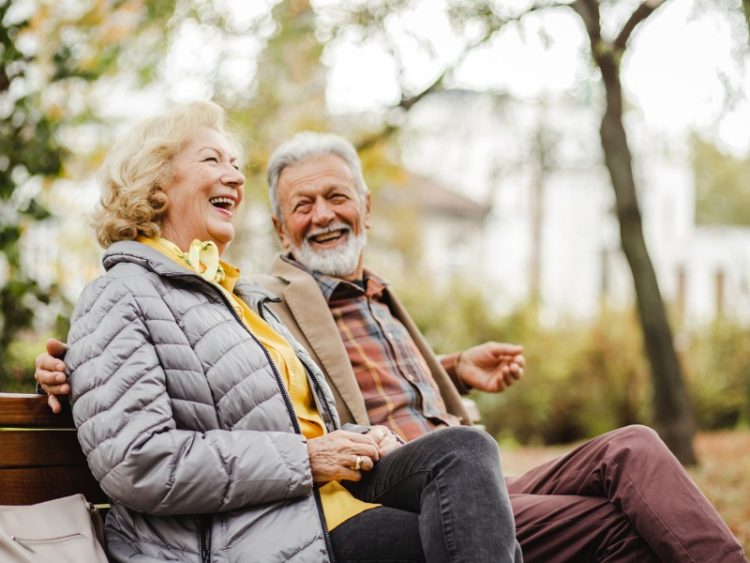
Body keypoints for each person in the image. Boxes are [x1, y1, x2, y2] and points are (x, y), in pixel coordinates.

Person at [37, 130, 748, 562]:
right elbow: (161, 382)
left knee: (630, 448)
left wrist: (450, 370)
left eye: (337, 198)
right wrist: (65, 363)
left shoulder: (358, 297)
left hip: (453, 475)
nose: (322, 216)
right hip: (375, 492)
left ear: (368, 206)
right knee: (615, 528)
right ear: (281, 230)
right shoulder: (266, 292)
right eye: (301, 205)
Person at [56, 101, 522, 563]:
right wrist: (307, 458)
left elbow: (290, 422)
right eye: (212, 160)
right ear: (156, 183)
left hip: (325, 500)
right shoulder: (119, 295)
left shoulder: (238, 295)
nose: (237, 178)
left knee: (465, 450)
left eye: (236, 164)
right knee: (475, 535)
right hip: (251, 532)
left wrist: (362, 437)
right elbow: (138, 461)